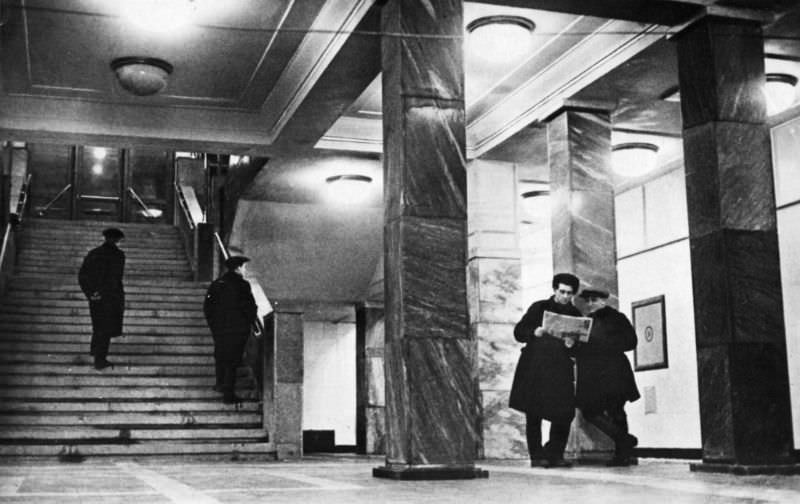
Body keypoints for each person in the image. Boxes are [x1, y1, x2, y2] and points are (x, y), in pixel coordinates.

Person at [509, 272, 582, 468]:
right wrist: (534, 331)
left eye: (569, 293)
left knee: (565, 413)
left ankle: (555, 453)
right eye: (562, 291)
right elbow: (518, 331)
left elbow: (580, 346)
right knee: (534, 412)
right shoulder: (539, 307)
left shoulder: (575, 314)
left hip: (560, 369)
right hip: (536, 366)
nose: (565, 296)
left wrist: (571, 344)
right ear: (554, 290)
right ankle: (537, 455)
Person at [574, 287, 640, 466]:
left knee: (616, 411)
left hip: (614, 371)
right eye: (587, 301)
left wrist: (600, 343)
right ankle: (625, 440)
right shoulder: (585, 321)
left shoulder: (617, 318)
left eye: (594, 300)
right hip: (593, 374)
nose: (590, 304)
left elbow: (630, 342)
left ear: (604, 300)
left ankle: (623, 455)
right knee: (591, 412)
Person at [203, 256, 257, 404]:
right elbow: (250, 307)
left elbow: (208, 308)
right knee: (232, 361)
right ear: (238, 268)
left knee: (220, 356)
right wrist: (248, 323)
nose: (245, 270)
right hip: (237, 330)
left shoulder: (217, 284)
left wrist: (214, 326)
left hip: (220, 330)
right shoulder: (243, 285)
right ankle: (229, 395)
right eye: (244, 267)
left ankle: (220, 384)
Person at [78, 227, 126, 371]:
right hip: (110, 297)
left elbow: (83, 275)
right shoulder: (119, 255)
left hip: (99, 297)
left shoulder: (94, 253)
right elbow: (115, 279)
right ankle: (100, 360)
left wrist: (91, 293)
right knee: (104, 329)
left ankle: (96, 353)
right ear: (117, 240)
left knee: (99, 327)